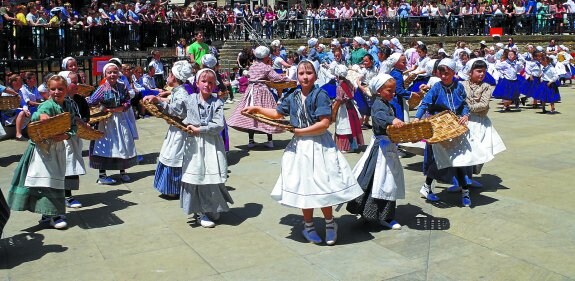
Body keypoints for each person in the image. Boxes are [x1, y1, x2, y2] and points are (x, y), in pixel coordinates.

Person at [242, 60, 363, 246]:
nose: (305, 77)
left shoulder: (320, 94)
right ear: (296, 76)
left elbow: (324, 123)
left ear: (315, 75)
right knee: (304, 186)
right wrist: (258, 109)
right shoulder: (293, 95)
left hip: (319, 145)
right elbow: (277, 113)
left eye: (309, 73)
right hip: (300, 148)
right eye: (301, 73)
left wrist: (300, 131)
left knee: (323, 185)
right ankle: (308, 225)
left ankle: (330, 224)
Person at [144, 68, 232, 228]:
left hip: (212, 144)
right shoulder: (190, 99)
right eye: (204, 81)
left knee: (211, 177)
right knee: (196, 176)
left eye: (211, 82)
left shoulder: (217, 102)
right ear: (197, 83)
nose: (207, 85)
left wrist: (201, 129)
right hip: (193, 144)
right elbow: (175, 109)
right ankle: (200, 212)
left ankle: (211, 207)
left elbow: (218, 124)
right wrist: (158, 101)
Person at [7, 75, 75, 229]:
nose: (57, 92)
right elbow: (37, 115)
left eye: (60, 89)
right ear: (48, 90)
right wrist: (40, 116)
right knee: (46, 181)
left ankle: (47, 214)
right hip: (42, 149)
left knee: (55, 179)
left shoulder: (68, 105)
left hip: (57, 148)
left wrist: (67, 135)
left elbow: (73, 126)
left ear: (66, 90)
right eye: (53, 89)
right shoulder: (47, 105)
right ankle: (54, 215)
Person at [346, 73, 405, 230]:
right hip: (381, 149)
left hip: (387, 147)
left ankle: (371, 212)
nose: (393, 94)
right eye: (389, 91)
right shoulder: (378, 105)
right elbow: (379, 117)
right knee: (383, 180)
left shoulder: (386, 103)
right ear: (379, 91)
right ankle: (382, 215)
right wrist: (392, 120)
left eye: (393, 91)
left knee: (380, 180)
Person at [412, 58, 472, 207]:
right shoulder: (436, 88)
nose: (444, 76)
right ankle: (426, 187)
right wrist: (416, 118)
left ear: (453, 72)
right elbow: (425, 103)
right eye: (442, 73)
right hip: (439, 126)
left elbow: (464, 104)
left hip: (455, 126)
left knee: (460, 160)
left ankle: (465, 192)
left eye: (448, 73)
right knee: (437, 159)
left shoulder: (459, 87)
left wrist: (465, 115)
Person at [145, 61, 193, 199]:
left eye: (170, 73)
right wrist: (159, 98)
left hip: (180, 130)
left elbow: (177, 110)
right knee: (171, 153)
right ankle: (172, 186)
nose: (168, 75)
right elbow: (172, 101)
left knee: (175, 155)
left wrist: (159, 102)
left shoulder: (182, 93)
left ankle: (175, 187)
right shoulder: (179, 91)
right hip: (175, 129)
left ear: (175, 77)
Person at [227, 46, 292, 148]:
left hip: (251, 92)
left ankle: (251, 141)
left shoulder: (253, 66)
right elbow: (275, 78)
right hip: (262, 91)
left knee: (251, 115)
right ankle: (269, 140)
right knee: (267, 113)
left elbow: (249, 76)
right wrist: (286, 78)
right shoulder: (266, 67)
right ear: (266, 57)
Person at [88, 63, 138, 184]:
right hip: (106, 121)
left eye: (114, 72)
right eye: (109, 72)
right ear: (105, 74)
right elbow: (91, 102)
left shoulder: (122, 86)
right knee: (104, 146)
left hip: (119, 118)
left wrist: (119, 109)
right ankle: (102, 175)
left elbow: (127, 101)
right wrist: (102, 108)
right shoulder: (102, 88)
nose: (112, 75)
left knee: (122, 144)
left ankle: (122, 171)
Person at [58, 70, 88, 209]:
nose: (77, 84)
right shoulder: (61, 101)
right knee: (66, 166)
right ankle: (66, 196)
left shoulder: (79, 99)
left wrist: (85, 122)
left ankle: (67, 194)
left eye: (77, 81)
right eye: (74, 82)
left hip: (74, 137)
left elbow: (86, 114)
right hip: (63, 139)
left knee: (71, 165)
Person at [332, 65, 364, 153]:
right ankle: (354, 145)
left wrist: (334, 105)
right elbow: (353, 90)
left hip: (343, 108)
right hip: (351, 105)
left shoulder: (339, 86)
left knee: (344, 125)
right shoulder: (349, 82)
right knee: (352, 124)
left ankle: (346, 147)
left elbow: (339, 99)